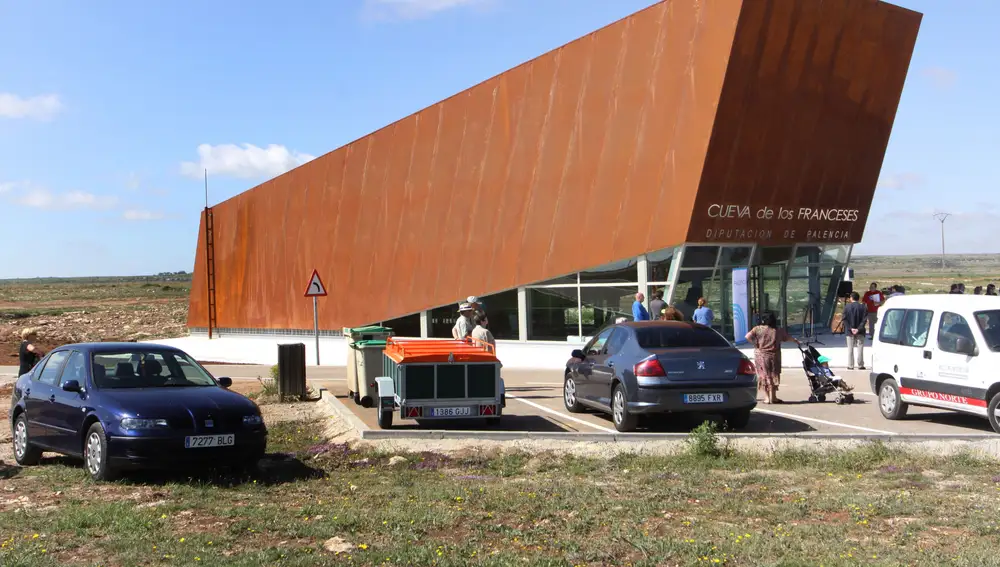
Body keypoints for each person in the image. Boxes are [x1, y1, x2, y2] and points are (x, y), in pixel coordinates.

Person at [745, 312, 800, 404]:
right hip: (774, 356)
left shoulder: (757, 329)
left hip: (761, 355)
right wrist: (796, 341)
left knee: (764, 375)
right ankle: (773, 397)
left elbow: (747, 337)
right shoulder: (777, 330)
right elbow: (787, 338)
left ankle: (767, 398)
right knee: (774, 375)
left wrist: (756, 344)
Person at [842, 291, 868, 370]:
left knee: (850, 348)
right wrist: (858, 328)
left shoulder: (847, 307)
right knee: (860, 348)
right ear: (858, 298)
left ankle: (850, 365)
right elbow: (864, 320)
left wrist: (851, 328)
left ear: (851, 298)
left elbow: (844, 319)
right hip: (860, 331)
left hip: (850, 332)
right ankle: (860, 365)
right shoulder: (863, 307)